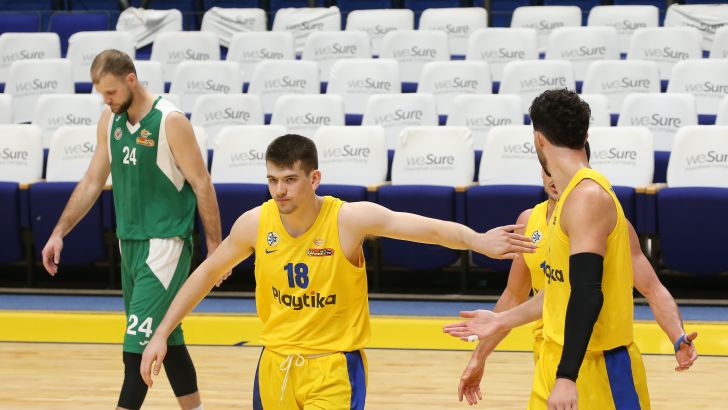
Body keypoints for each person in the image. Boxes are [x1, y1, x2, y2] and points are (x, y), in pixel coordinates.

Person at [139, 134, 537, 409]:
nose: (280, 191)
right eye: (273, 180)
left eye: (290, 180)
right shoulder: (255, 223)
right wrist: (161, 332)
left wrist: (477, 240)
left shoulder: (348, 219)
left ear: (314, 178)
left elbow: (425, 228)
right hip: (275, 364)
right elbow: (206, 274)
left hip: (333, 368)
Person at [444, 89, 686, 409]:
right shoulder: (557, 209)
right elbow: (554, 293)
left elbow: (587, 293)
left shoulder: (588, 198)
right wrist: (496, 330)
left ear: (539, 140)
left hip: (600, 366)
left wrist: (566, 376)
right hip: (552, 357)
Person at [41, 49, 226, 410]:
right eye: (101, 94)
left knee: (135, 351)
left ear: (131, 80)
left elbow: (202, 183)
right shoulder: (109, 121)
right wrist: (58, 232)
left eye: (111, 92)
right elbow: (92, 181)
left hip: (166, 245)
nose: (106, 101)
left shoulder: (170, 120)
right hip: (130, 245)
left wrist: (215, 250)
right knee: (168, 338)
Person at [455, 164, 698, 406]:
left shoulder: (613, 224)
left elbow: (653, 289)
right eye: (549, 170)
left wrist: (677, 337)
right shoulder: (529, 222)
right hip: (548, 357)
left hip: (604, 360)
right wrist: (479, 357)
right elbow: (514, 295)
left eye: (562, 171)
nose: (554, 179)